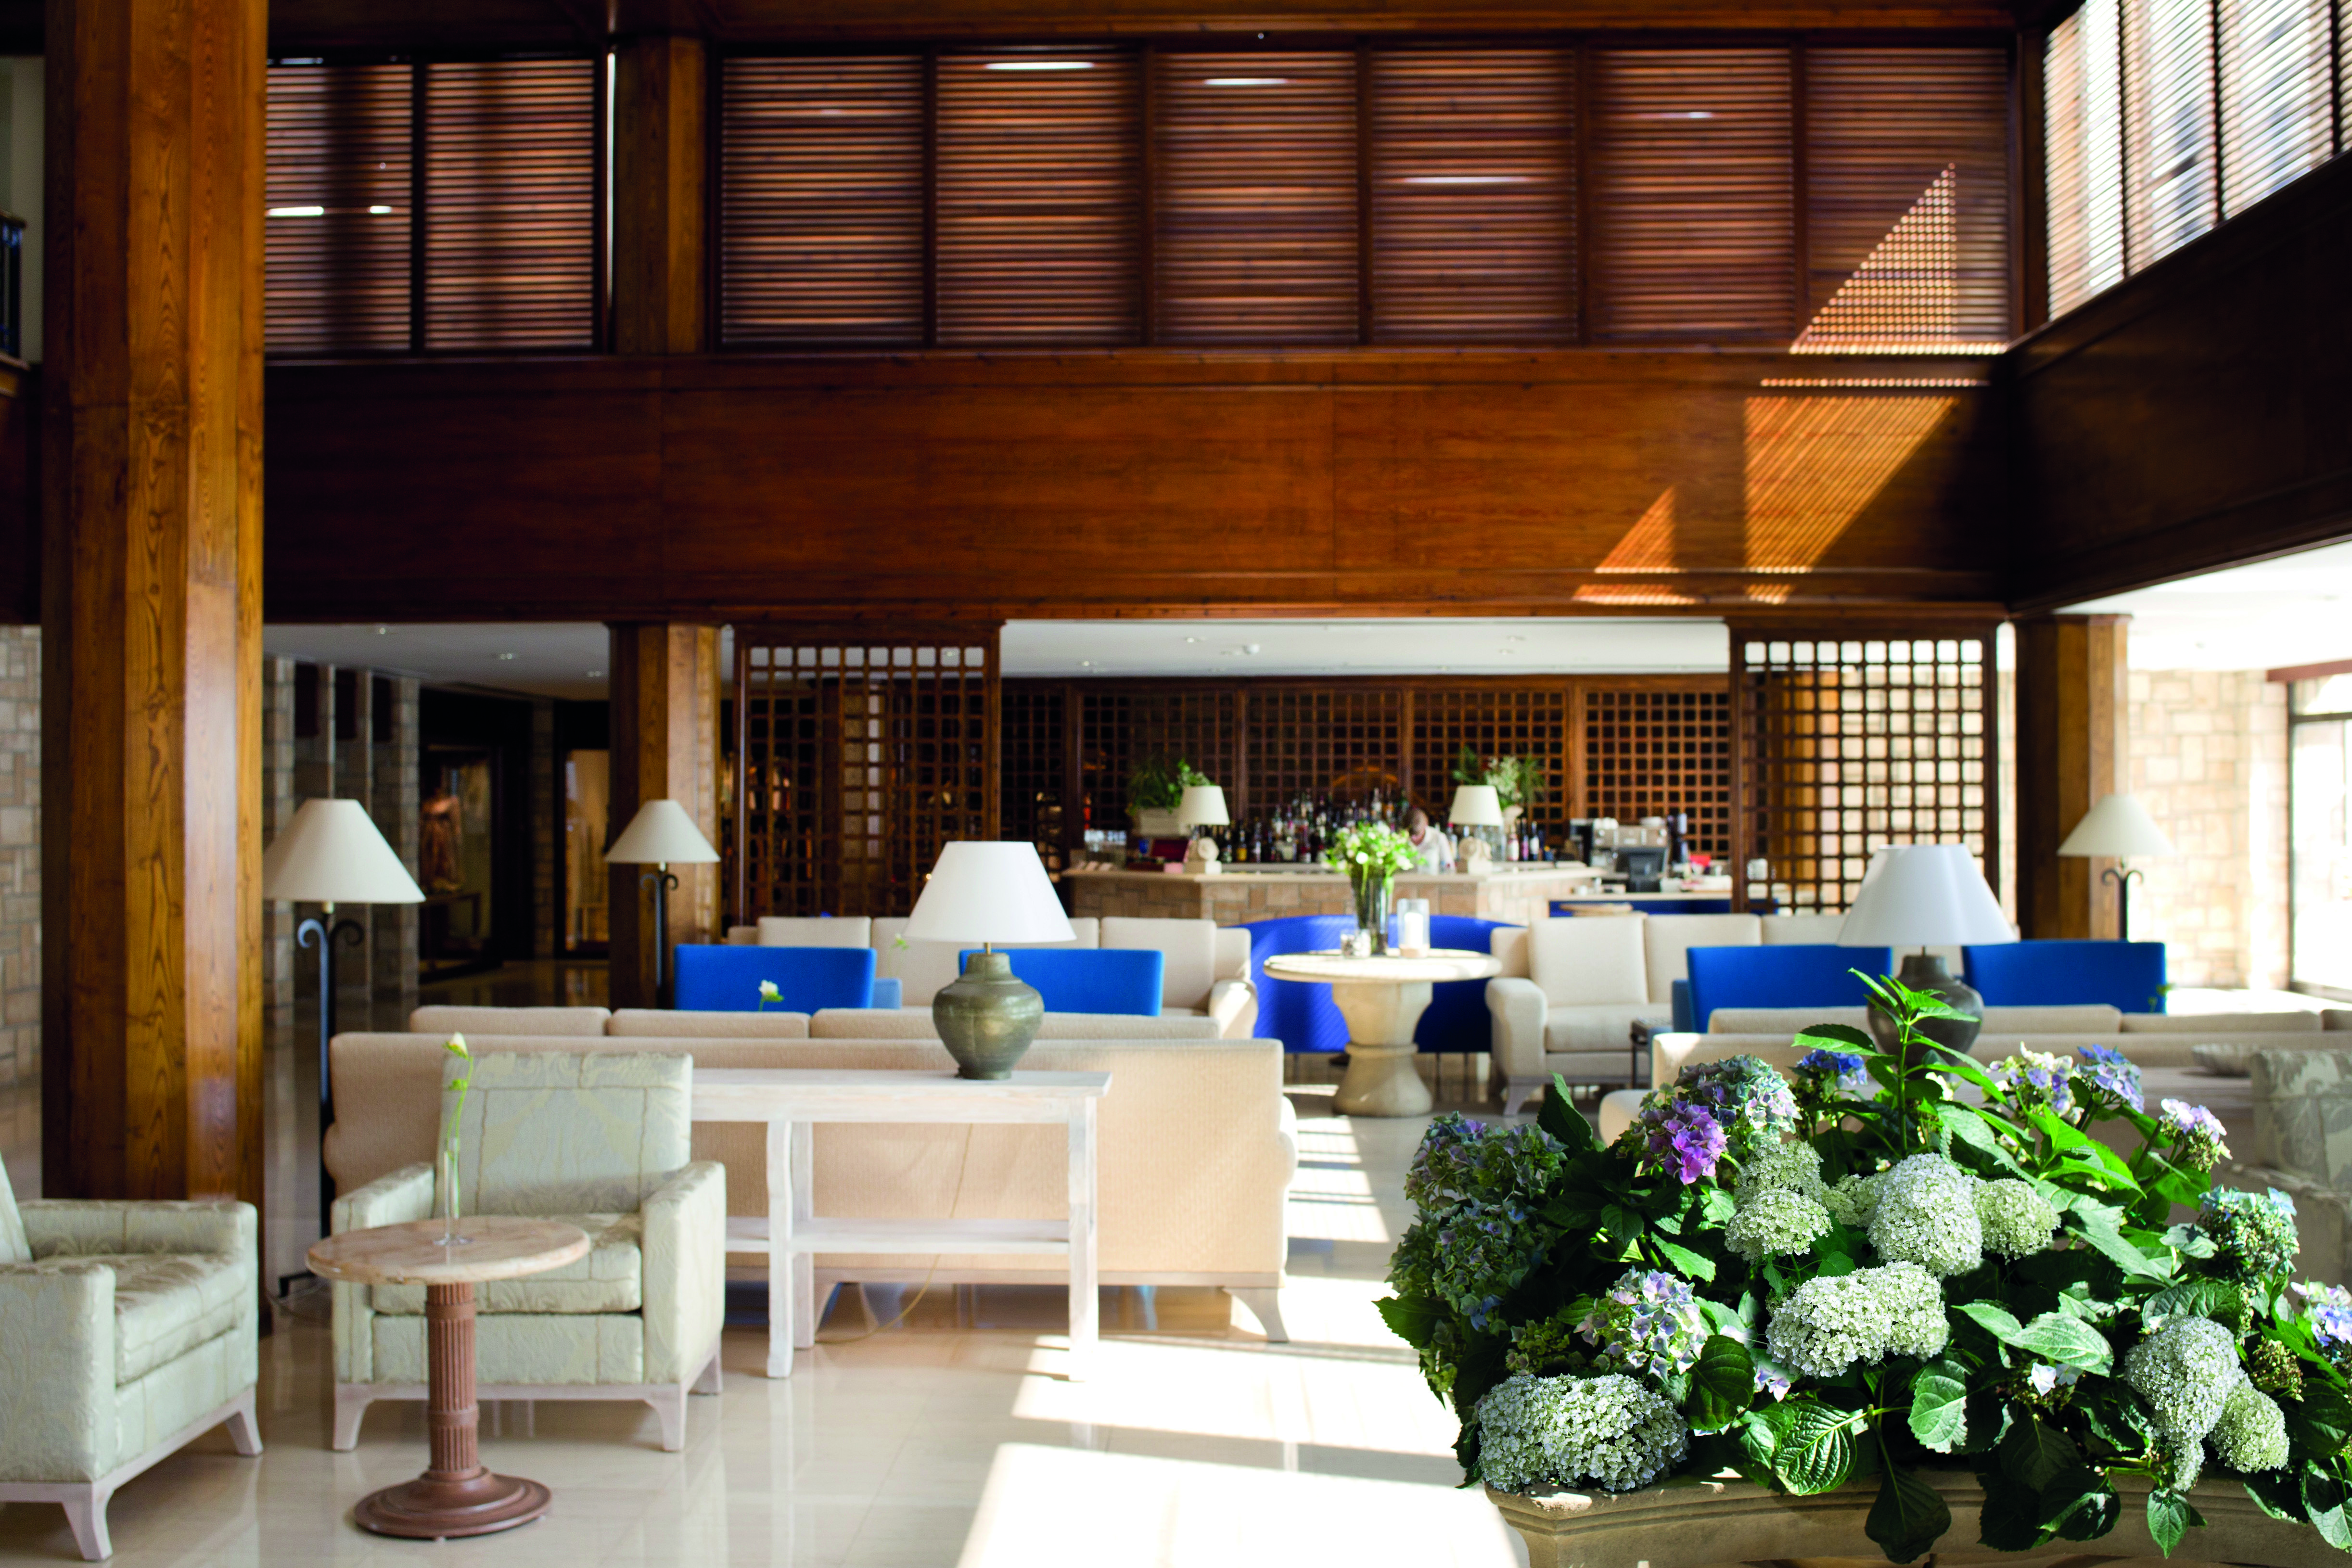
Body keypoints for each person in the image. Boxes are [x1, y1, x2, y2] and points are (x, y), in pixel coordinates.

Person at [1404, 806, 1454, 872]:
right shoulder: (1399, 840)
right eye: (1410, 835)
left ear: (1426, 824)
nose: (1414, 838)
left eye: (1417, 835)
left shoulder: (1438, 838)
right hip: (1406, 882)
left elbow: (1449, 869)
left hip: (1432, 882)